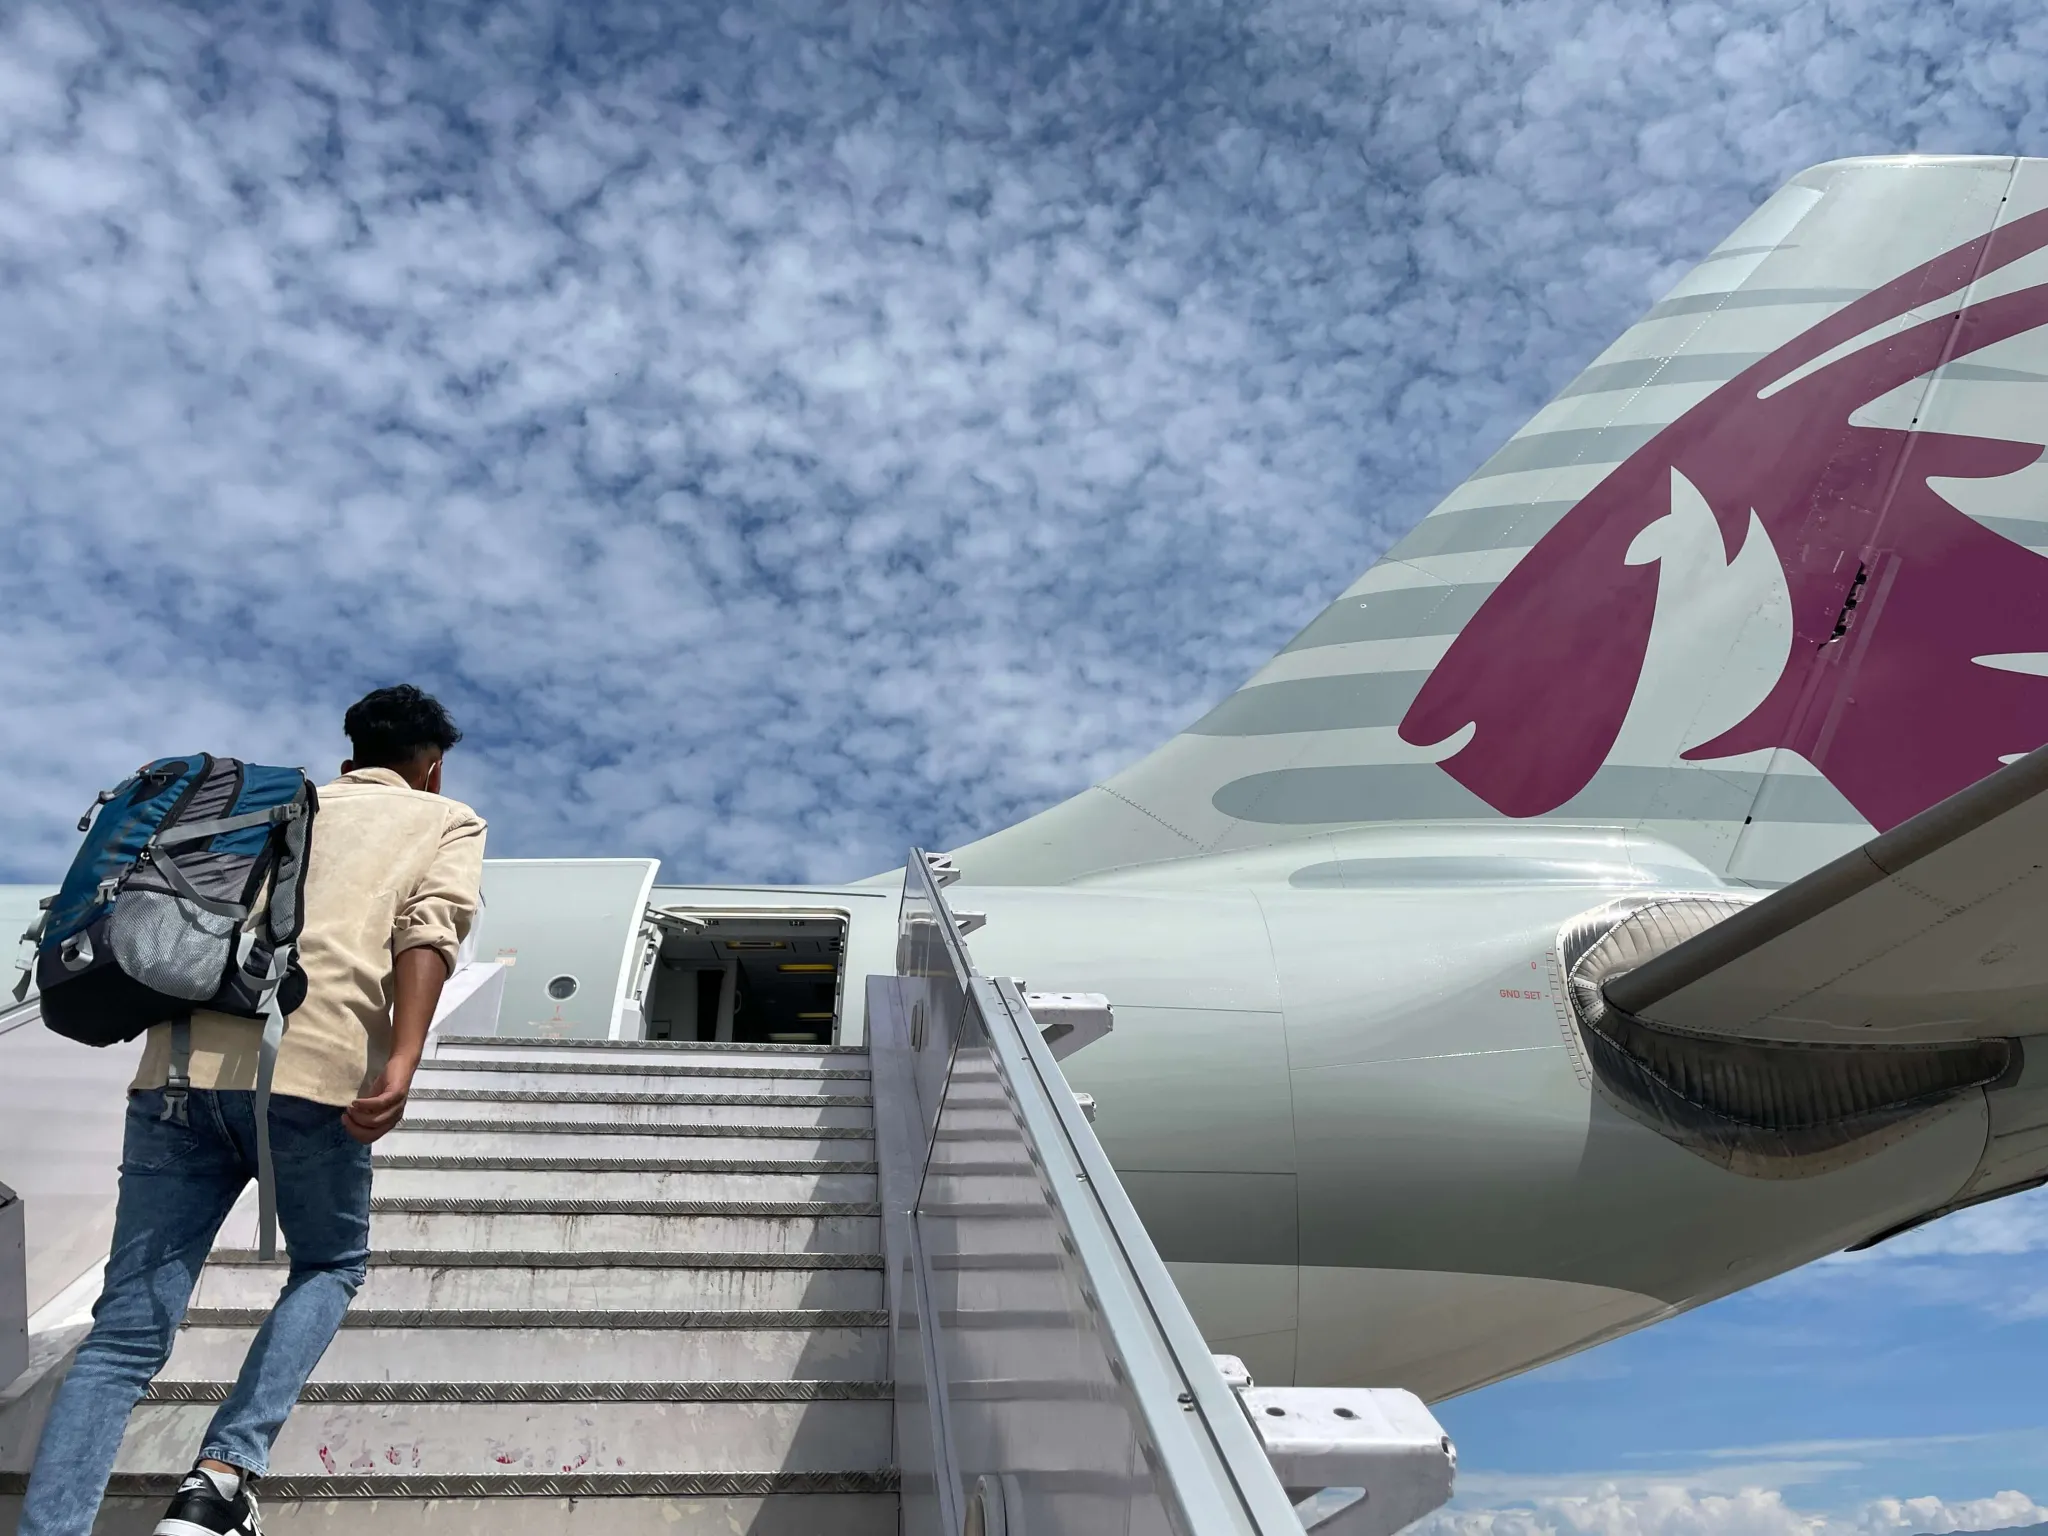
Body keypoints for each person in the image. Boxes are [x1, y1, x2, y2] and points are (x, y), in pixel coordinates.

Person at [16, 686, 487, 1536]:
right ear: (431, 764)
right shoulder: (443, 818)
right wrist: (405, 1058)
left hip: (177, 1075)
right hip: (314, 1074)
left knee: (123, 1336)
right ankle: (221, 1478)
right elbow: (430, 930)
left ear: (350, 753)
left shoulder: (272, 802)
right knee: (331, 1265)